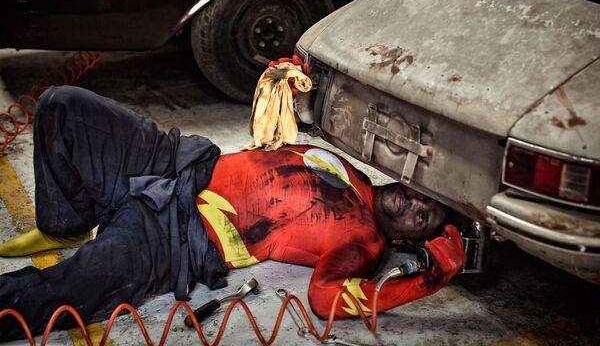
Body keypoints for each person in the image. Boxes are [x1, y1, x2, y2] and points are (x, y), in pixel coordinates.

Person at [0, 86, 466, 342]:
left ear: (406, 240)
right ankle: (66, 227)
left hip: (181, 232)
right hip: (178, 161)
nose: (414, 203)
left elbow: (327, 300)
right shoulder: (353, 171)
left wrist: (427, 282)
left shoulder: (364, 242)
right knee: (63, 105)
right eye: (423, 196)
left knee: (70, 288)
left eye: (421, 217)